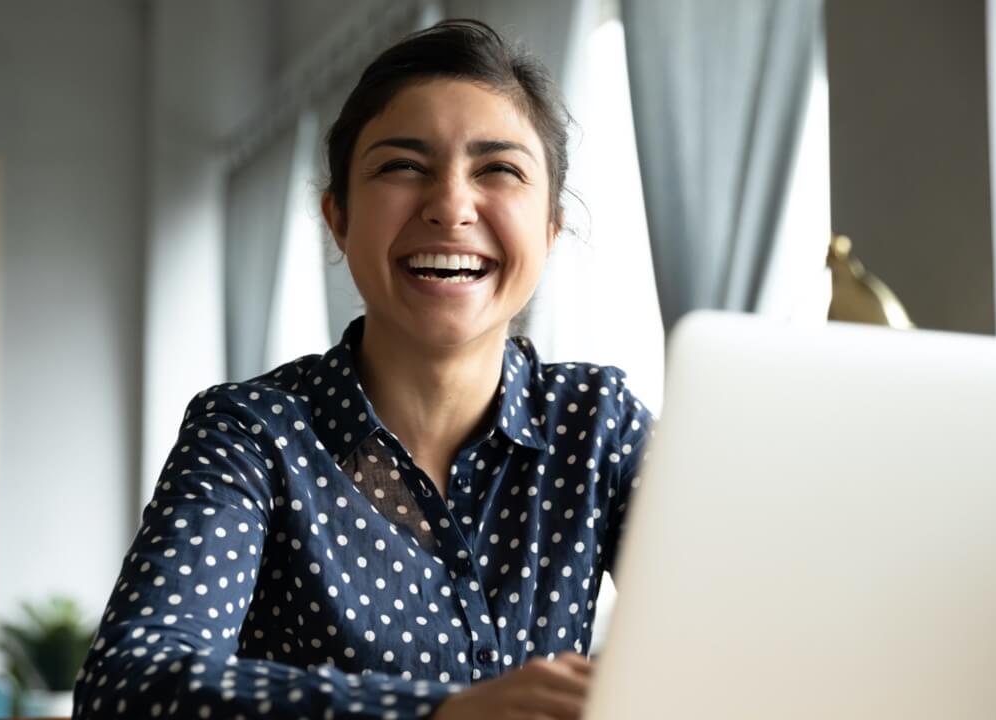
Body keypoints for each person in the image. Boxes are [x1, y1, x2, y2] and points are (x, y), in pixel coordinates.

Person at [73, 19, 653, 720]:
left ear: (551, 229)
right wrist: (440, 714)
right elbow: (130, 688)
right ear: (337, 219)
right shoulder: (252, 434)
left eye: (498, 169)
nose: (450, 206)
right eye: (403, 166)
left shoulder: (599, 423)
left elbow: (729, 632)